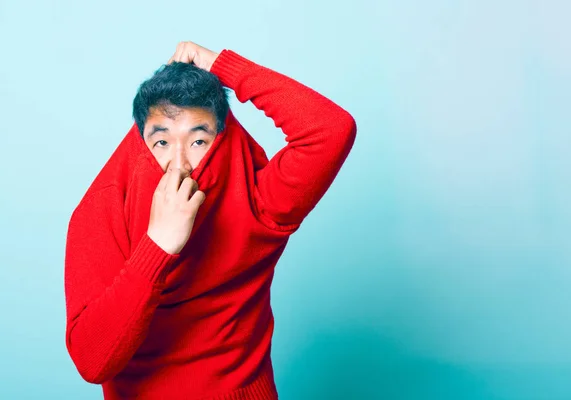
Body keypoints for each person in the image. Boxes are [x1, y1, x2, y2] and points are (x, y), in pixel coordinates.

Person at [64, 41, 356, 399]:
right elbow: (92, 362)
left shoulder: (258, 198)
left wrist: (223, 66)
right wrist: (156, 248)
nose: (180, 162)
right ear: (142, 143)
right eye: (161, 142)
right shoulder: (104, 208)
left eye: (198, 140)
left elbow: (331, 129)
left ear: (221, 139)